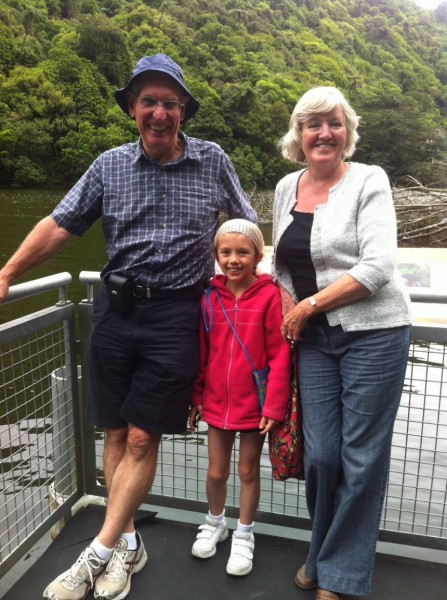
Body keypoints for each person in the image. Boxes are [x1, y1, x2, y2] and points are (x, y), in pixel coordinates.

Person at [0, 54, 256, 600]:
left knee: (143, 435)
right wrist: (7, 272)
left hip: (176, 315)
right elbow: (59, 226)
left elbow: (247, 229)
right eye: (148, 102)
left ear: (183, 109)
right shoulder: (108, 165)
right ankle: (127, 544)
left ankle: (92, 556)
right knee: (115, 432)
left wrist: (261, 296)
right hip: (114, 312)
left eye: (169, 102)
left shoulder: (213, 161)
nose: (159, 112)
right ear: (132, 110)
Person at [271, 87, 412, 600]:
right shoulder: (287, 187)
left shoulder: (370, 179)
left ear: (347, 131)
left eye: (333, 123)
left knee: (361, 458)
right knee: (322, 456)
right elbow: (280, 263)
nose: (323, 132)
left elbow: (377, 268)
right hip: (313, 343)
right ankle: (322, 553)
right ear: (298, 135)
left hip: (374, 334)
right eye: (312, 124)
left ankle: (340, 574)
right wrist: (289, 303)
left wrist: (307, 306)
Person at [189, 219, 290, 576]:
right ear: (216, 256)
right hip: (216, 402)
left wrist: (274, 404)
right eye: (226, 252)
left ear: (258, 255)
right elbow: (202, 352)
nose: (234, 259)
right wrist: (197, 395)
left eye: (243, 252)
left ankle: (244, 533)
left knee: (248, 470)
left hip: (255, 406)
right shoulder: (209, 297)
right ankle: (215, 522)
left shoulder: (269, 296)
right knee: (216, 471)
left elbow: (279, 355)